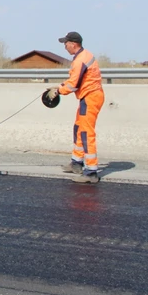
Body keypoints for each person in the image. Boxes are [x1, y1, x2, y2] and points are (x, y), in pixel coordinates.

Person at [46, 31, 105, 184]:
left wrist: (58, 91)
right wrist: (59, 86)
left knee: (86, 132)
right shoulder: (82, 56)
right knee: (78, 128)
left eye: (65, 44)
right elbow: (74, 80)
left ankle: (91, 172)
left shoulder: (81, 60)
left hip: (91, 97)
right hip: (88, 96)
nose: (65, 47)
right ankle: (76, 163)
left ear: (73, 44)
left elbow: (73, 85)